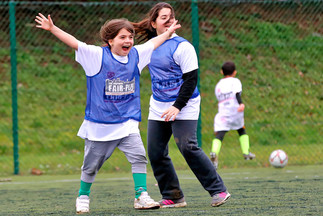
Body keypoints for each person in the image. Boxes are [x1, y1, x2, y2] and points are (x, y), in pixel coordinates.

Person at [35, 13, 181, 213]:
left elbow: (154, 42)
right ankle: (83, 196)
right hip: (100, 125)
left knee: (139, 156)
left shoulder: (136, 56)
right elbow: (75, 43)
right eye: (122, 37)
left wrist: (169, 32)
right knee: (90, 167)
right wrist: (52, 28)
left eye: (130, 37)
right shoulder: (96, 56)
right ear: (110, 40)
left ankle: (141, 195)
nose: (128, 41)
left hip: (127, 122)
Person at [132, 2, 230, 208]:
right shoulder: (149, 48)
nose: (167, 20)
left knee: (187, 146)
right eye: (162, 17)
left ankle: (218, 190)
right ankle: (173, 196)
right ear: (153, 23)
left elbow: (191, 80)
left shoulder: (183, 47)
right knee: (156, 152)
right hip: (159, 105)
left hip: (185, 104)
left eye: (170, 17)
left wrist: (177, 106)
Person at [210, 61, 255, 169]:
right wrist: (241, 103)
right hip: (235, 111)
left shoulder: (218, 85)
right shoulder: (235, 81)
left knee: (220, 134)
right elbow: (237, 93)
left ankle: (214, 152)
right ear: (235, 72)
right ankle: (246, 152)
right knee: (241, 130)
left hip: (223, 112)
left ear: (221, 72)